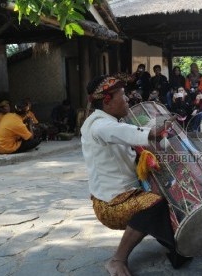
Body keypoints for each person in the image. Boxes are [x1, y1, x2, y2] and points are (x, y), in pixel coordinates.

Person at [82, 75, 190, 276]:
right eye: (122, 96)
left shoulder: (114, 122)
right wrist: (151, 132)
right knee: (155, 204)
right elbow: (118, 131)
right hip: (111, 204)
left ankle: (180, 244)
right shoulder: (97, 124)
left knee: (167, 196)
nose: (127, 100)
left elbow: (130, 137)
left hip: (127, 194)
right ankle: (117, 260)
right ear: (107, 100)